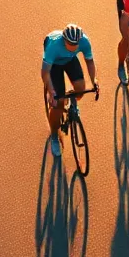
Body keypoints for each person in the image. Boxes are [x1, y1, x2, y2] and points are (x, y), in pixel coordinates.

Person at [41, 24, 98, 157]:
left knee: (81, 89)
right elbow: (45, 73)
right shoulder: (54, 46)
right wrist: (51, 91)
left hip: (70, 60)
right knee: (58, 104)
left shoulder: (84, 41)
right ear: (63, 40)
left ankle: (72, 103)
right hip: (54, 65)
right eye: (70, 44)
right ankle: (54, 136)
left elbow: (89, 62)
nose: (73, 47)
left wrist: (94, 80)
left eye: (76, 44)